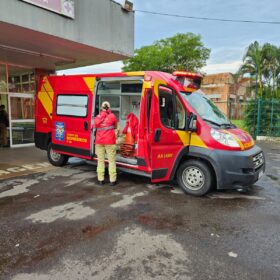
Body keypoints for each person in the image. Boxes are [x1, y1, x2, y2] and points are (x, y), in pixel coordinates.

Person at [93, 101, 118, 186]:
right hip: (110, 141)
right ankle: (112, 180)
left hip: (99, 142)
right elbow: (116, 126)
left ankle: (100, 180)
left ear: (102, 108)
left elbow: (94, 125)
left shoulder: (98, 117)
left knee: (100, 161)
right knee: (111, 161)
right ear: (109, 108)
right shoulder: (112, 116)